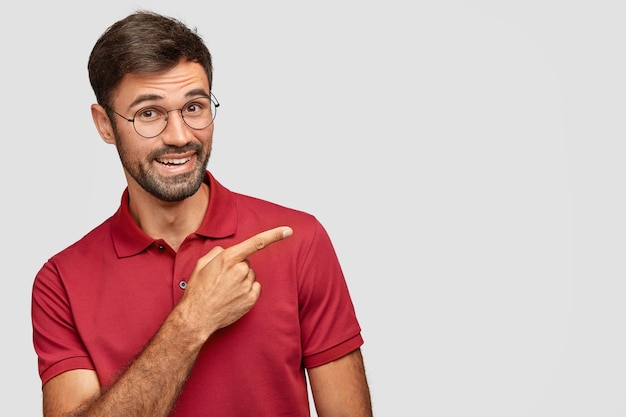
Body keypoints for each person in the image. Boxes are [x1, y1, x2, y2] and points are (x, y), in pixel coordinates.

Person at [31, 10, 372, 417]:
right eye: (149, 114)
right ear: (105, 124)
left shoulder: (299, 240)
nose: (179, 136)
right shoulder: (61, 281)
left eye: (194, 107)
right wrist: (192, 321)